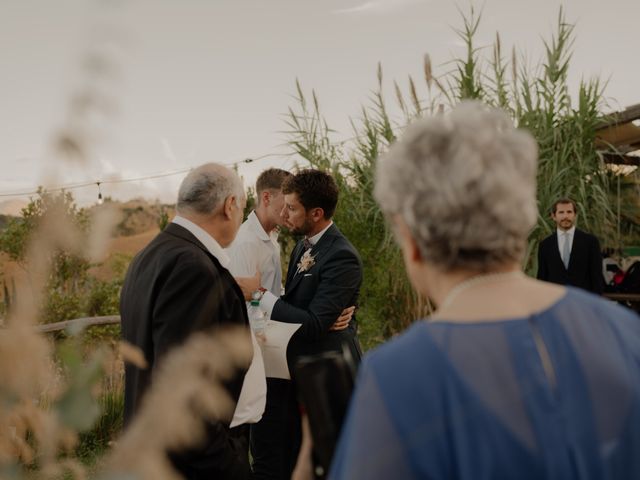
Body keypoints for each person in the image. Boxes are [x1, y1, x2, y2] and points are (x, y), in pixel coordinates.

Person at [318, 102, 640, 479]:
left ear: (412, 238)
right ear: (520, 222)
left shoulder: (396, 376)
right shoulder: (625, 332)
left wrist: (313, 458)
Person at [120, 163, 253, 480]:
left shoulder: (149, 255)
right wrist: (232, 468)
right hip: (189, 464)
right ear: (229, 206)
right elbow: (183, 395)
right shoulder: (192, 267)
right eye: (243, 208)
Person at [252, 169, 363, 479]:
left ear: (316, 213)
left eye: (292, 208)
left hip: (330, 373)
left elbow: (314, 324)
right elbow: (304, 306)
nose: (284, 213)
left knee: (326, 460)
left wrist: (260, 295)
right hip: (300, 369)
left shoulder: (342, 256)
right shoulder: (303, 246)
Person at [537, 198, 604, 294]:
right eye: (561, 212)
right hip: (555, 303)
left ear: (575, 215)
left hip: (583, 302)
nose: (565, 216)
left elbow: (596, 277)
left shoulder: (590, 242)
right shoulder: (545, 245)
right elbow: (542, 279)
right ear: (553, 216)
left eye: (569, 212)